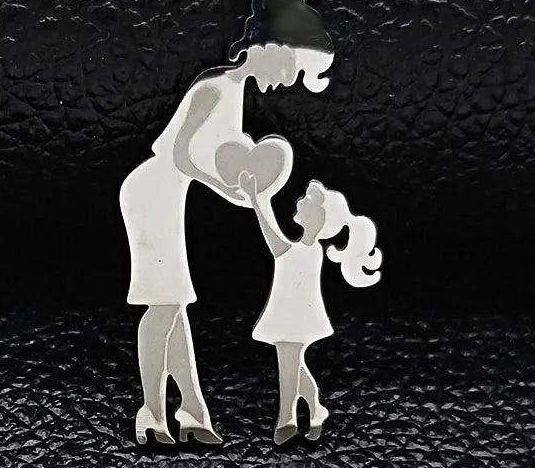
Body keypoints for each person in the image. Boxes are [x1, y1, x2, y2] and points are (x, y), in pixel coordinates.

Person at [120, 36, 333, 445]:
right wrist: (231, 190)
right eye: (284, 70)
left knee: (175, 300)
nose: (281, 81)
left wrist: (246, 193)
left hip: (169, 193)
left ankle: (192, 409)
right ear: (266, 53)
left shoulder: (233, 93)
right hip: (151, 191)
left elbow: (214, 163)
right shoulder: (215, 89)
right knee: (163, 303)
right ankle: (152, 412)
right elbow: (181, 154)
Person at [238, 172, 382, 444]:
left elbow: (272, 238)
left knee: (289, 368)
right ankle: (315, 410)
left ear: (318, 218)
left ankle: (287, 420)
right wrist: (258, 199)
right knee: (294, 367)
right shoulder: (304, 250)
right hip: (289, 317)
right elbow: (274, 240)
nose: (299, 201)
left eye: (306, 200)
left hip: (295, 319)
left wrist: (257, 200)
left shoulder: (306, 251)